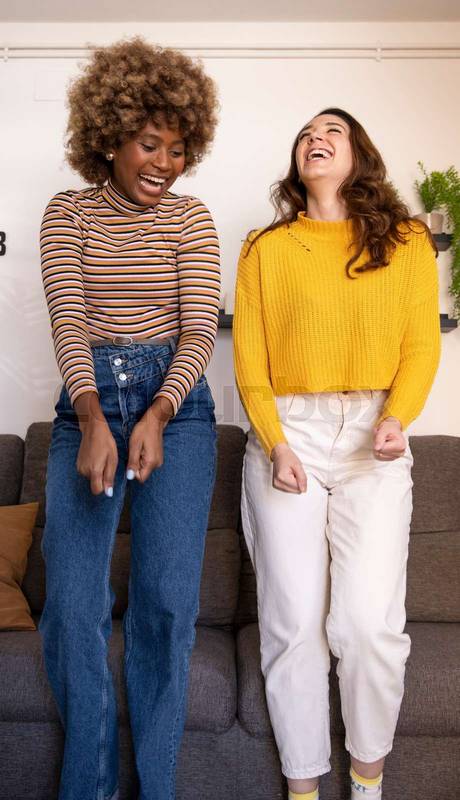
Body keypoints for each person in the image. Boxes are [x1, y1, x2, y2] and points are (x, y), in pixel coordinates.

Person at [233, 108, 440, 800]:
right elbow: (252, 366)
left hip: (370, 437)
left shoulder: (407, 241)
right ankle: (303, 790)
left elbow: (420, 345)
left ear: (359, 155)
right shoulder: (265, 249)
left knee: (367, 624)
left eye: (333, 131)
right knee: (292, 624)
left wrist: (398, 417)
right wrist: (274, 442)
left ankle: (367, 784)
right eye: (305, 134)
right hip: (287, 434)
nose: (315, 139)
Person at [39, 37, 220, 800]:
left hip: (177, 413)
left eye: (178, 149)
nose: (165, 163)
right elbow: (69, 320)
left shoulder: (192, 220)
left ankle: (157, 789)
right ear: (107, 136)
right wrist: (92, 415)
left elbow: (199, 327)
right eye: (149, 144)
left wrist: (159, 408)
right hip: (89, 403)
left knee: (167, 604)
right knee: (74, 607)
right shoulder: (67, 214)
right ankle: (90, 789)